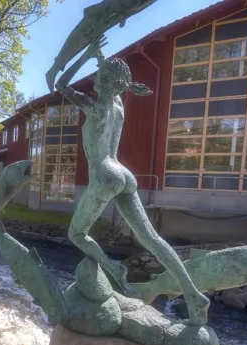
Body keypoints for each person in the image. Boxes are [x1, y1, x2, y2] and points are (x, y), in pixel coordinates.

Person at [56, 35, 209, 326]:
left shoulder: (94, 106)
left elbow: (61, 84)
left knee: (76, 234)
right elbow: (114, 79)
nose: (95, 79)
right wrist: (99, 54)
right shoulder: (118, 105)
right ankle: (193, 295)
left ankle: (113, 268)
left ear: (102, 81)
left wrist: (82, 55)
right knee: (151, 238)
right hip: (125, 173)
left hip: (104, 173)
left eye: (99, 75)